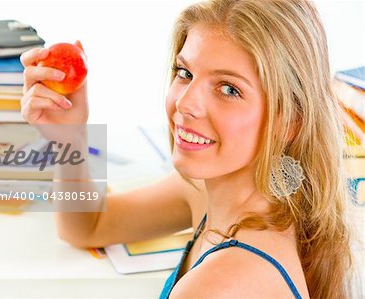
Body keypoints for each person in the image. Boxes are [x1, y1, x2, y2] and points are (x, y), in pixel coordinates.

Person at [20, 0, 357, 298]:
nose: (185, 102)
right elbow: (87, 225)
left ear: (289, 122)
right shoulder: (219, 195)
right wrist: (70, 138)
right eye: (185, 72)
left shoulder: (221, 284)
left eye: (228, 89)